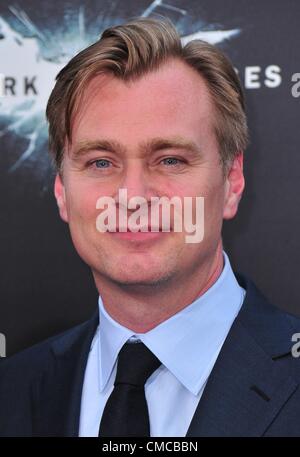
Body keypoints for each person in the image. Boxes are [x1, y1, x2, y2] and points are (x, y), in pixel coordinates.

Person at [0, 17, 300, 438]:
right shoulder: (11, 391)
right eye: (101, 162)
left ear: (232, 182)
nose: (133, 196)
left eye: (171, 160)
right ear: (62, 191)